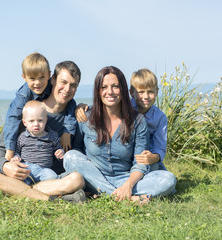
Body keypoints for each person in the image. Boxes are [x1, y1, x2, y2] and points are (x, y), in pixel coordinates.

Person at [63, 66, 176, 203]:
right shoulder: (85, 117)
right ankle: (121, 196)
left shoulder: (138, 121)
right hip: (95, 175)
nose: (110, 92)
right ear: (97, 90)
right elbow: (78, 149)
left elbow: (140, 163)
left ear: (123, 90)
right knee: (70, 157)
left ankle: (104, 192)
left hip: (126, 177)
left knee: (168, 179)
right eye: (104, 87)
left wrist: (128, 185)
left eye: (115, 86)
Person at [0, 61, 86, 202]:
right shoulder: (29, 111)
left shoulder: (74, 119)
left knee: (77, 179)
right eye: (63, 82)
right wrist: (5, 166)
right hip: (21, 174)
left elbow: (78, 153)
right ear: (52, 79)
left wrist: (82, 107)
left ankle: (10, 190)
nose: (67, 89)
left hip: (50, 179)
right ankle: (49, 198)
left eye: (73, 85)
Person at [3, 53, 77, 161]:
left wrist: (67, 132)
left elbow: (71, 103)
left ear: (49, 75)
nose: (37, 83)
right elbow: (12, 118)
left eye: (42, 77)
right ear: (24, 77)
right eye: (32, 78)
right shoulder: (23, 95)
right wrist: (10, 150)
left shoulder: (53, 85)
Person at [11, 100, 64, 185]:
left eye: (40, 120)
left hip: (44, 169)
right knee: (17, 178)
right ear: (25, 122)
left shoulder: (52, 135)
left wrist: (60, 152)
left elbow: (58, 148)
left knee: (52, 176)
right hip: (27, 167)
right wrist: (16, 157)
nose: (36, 124)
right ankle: (26, 186)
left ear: (46, 120)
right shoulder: (22, 137)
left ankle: (36, 187)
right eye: (31, 121)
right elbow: (17, 151)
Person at [130, 68, 167, 171]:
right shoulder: (124, 109)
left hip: (146, 157)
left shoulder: (160, 117)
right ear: (131, 93)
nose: (146, 97)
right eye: (140, 92)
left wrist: (154, 157)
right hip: (126, 155)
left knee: (166, 179)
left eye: (150, 92)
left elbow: (160, 147)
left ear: (157, 92)